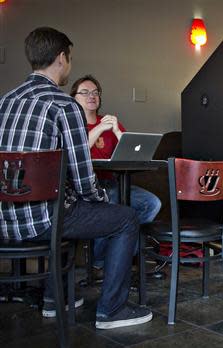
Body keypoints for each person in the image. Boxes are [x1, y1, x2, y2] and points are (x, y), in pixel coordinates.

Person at [0, 27, 152, 329]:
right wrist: (101, 199)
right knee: (124, 218)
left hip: (4, 219)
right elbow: (83, 179)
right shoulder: (64, 105)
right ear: (61, 58)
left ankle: (55, 299)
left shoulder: (4, 101)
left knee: (65, 206)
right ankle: (112, 310)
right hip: (45, 220)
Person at [69, 75, 161, 273]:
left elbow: (132, 155)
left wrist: (118, 132)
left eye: (95, 92)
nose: (91, 96)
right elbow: (78, 152)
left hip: (115, 182)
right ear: (74, 98)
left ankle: (120, 256)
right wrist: (100, 128)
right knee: (110, 201)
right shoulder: (73, 125)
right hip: (86, 186)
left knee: (152, 203)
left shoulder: (109, 122)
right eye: (84, 92)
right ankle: (100, 260)